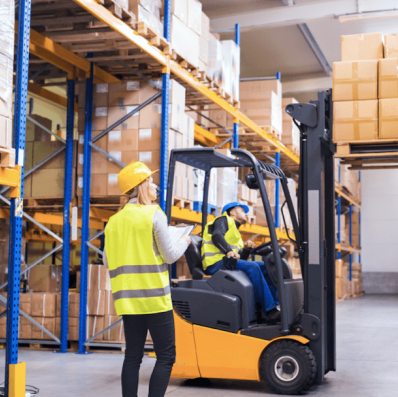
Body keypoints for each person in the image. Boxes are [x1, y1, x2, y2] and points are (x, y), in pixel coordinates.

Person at [103, 161, 191, 397]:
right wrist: (184, 241)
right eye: (150, 181)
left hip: (128, 301)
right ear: (141, 185)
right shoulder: (154, 214)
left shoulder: (113, 222)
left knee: (132, 356)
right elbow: (171, 255)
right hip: (154, 299)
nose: (155, 186)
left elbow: (106, 261)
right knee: (165, 356)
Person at [201, 202, 281, 323]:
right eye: (242, 211)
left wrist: (247, 249)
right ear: (232, 212)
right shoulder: (223, 220)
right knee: (253, 267)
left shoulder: (235, 233)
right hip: (215, 264)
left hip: (227, 263)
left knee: (268, 266)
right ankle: (270, 311)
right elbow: (217, 235)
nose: (246, 214)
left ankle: (276, 305)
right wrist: (228, 251)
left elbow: (240, 259)